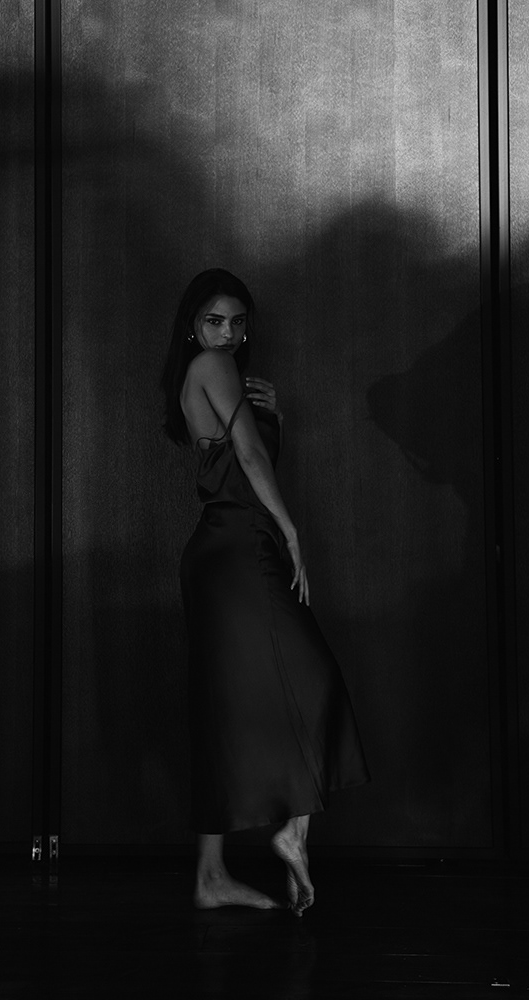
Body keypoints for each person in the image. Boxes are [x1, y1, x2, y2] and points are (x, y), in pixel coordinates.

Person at [161, 268, 369, 916]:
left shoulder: (210, 376)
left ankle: (212, 875)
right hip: (238, 549)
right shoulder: (213, 365)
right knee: (311, 679)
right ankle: (288, 833)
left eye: (237, 322)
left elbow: (242, 453)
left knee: (225, 706)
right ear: (192, 326)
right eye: (213, 321)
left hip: (226, 550)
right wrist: (292, 532)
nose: (227, 333)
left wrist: (273, 416)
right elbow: (248, 459)